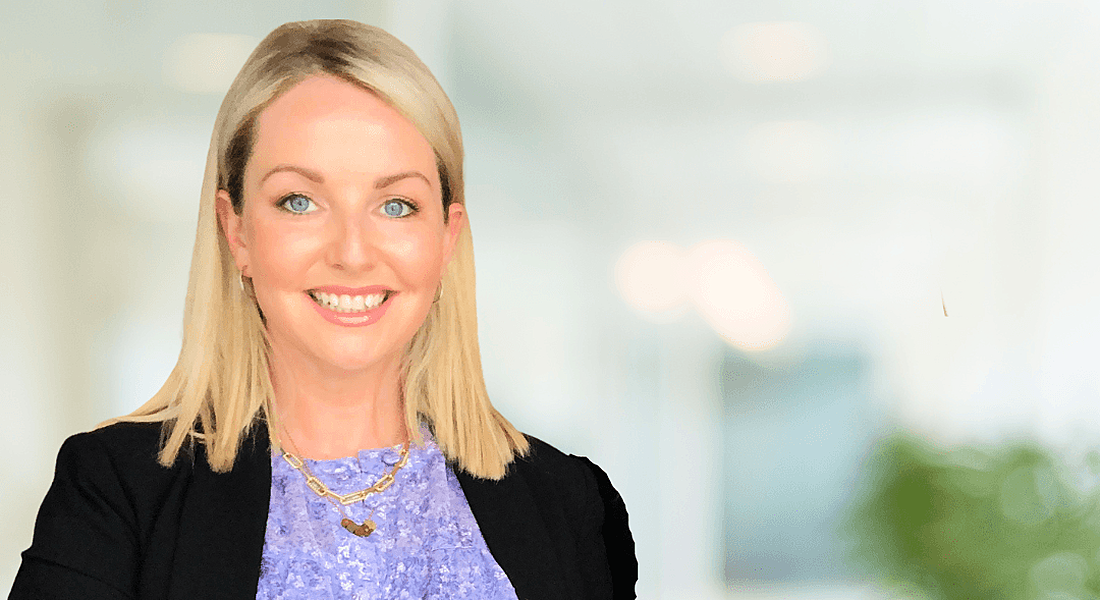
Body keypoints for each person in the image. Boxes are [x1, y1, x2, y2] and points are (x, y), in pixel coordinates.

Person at [11, 19, 636, 600]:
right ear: (237, 232)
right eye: (299, 202)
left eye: (396, 205)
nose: (353, 253)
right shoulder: (117, 492)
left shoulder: (571, 504)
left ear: (446, 238)